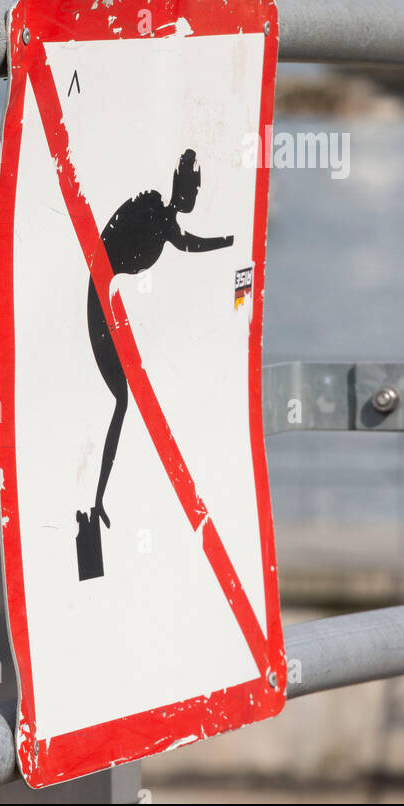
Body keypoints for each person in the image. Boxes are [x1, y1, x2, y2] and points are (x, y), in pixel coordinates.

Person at [76, 149, 233, 580]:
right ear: (178, 185)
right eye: (191, 186)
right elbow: (182, 244)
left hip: (114, 306)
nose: (195, 194)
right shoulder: (156, 218)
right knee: (122, 402)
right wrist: (232, 242)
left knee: (126, 402)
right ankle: (97, 504)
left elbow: (187, 243)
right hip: (103, 308)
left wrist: (233, 243)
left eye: (197, 188)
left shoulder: (163, 222)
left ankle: (99, 504)